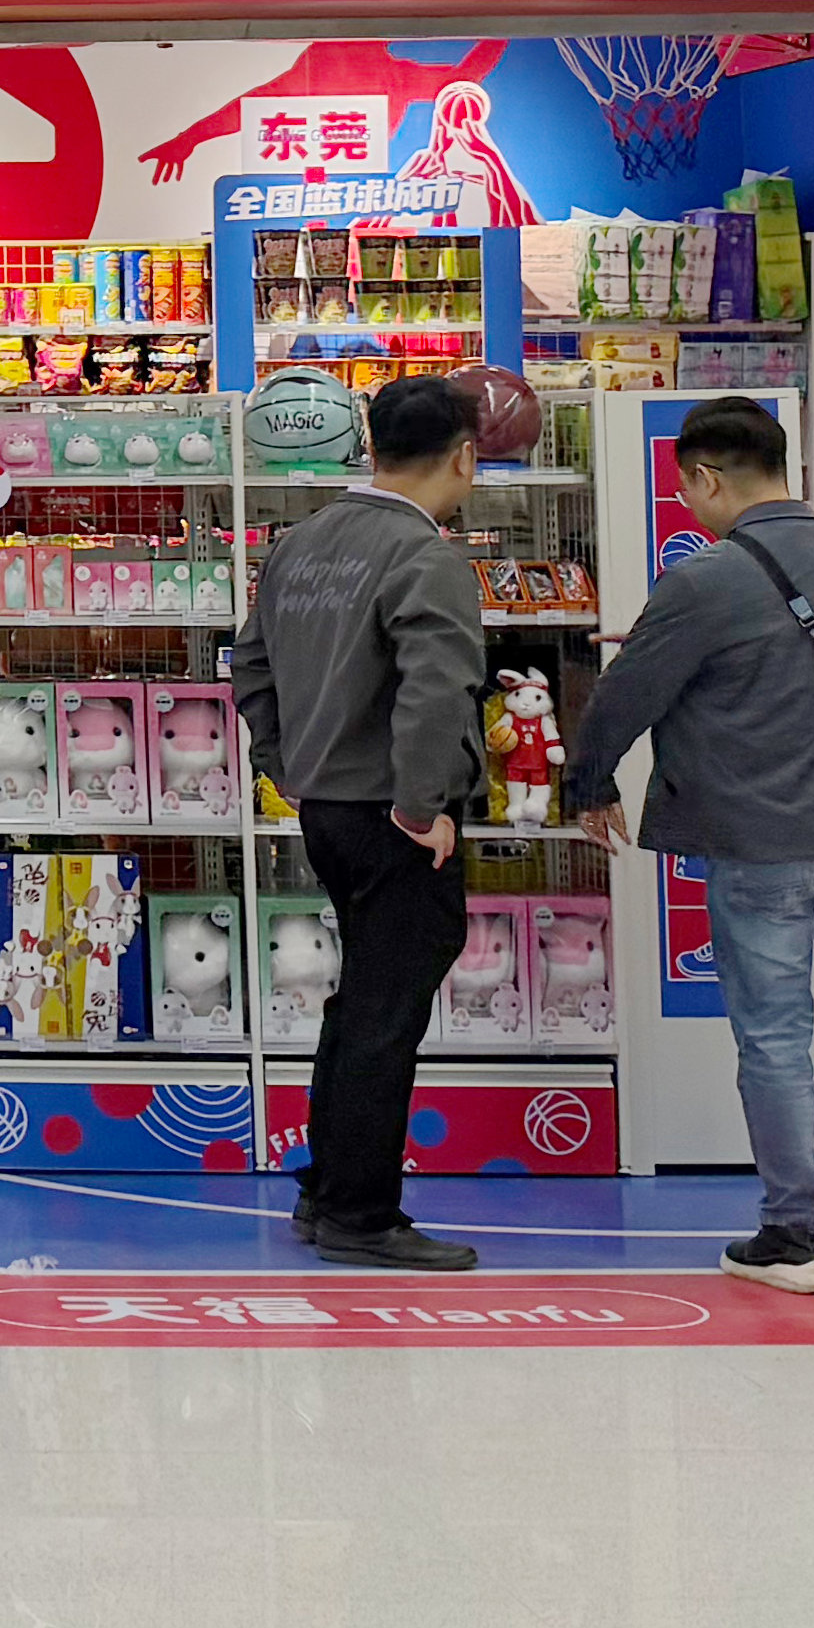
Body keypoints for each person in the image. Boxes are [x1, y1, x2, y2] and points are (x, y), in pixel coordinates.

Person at [562, 396, 814, 1294]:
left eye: (687, 490)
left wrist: (589, 784)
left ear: (706, 478)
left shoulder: (704, 580)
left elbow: (625, 693)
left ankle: (793, 1234)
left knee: (776, 1037)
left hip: (755, 844)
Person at [233, 374, 494, 1269]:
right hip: (395, 813)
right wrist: (422, 804)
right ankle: (360, 1212)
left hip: (325, 806)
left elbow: (250, 664)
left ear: (369, 446)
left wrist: (286, 764)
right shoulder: (426, 556)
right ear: (463, 456)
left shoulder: (300, 543)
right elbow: (436, 690)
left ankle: (326, 1188)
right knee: (386, 1012)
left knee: (359, 1004)